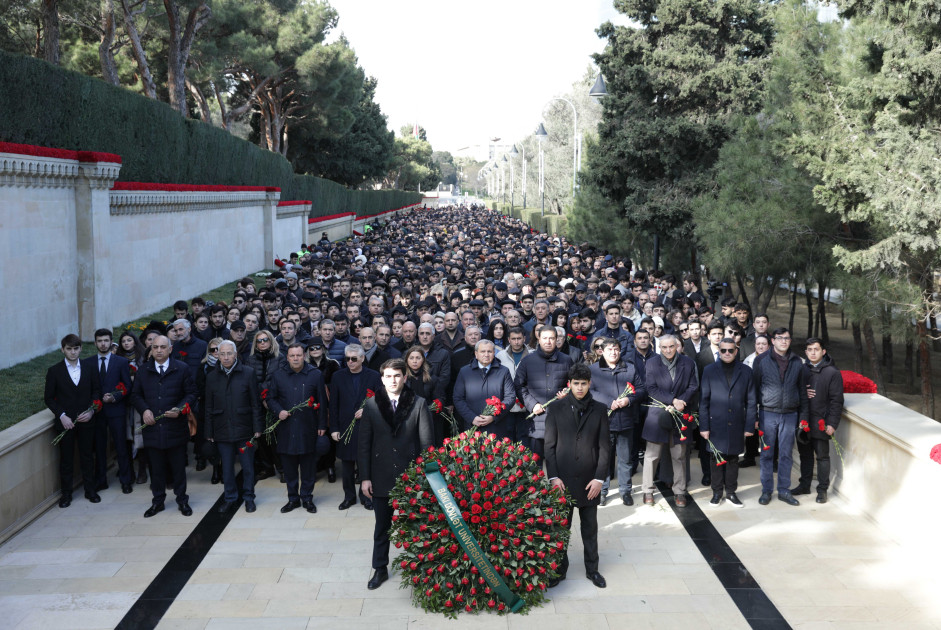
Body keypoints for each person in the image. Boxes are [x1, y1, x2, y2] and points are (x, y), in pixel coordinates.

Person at [358, 358, 434, 590]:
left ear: (404, 377)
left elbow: (427, 444)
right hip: (380, 476)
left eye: (397, 376)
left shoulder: (418, 403)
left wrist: (425, 478)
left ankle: (419, 569)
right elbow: (364, 445)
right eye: (388, 376)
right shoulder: (371, 405)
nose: (393, 380)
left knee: (416, 526)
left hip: (410, 477)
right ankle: (379, 568)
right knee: (382, 527)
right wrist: (365, 478)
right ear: (382, 379)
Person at [544, 363, 610, 589]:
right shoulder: (555, 409)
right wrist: (553, 477)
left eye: (583, 384)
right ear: (569, 384)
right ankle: (559, 570)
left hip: (589, 480)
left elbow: (604, 448)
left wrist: (599, 479)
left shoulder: (600, 410)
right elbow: (549, 446)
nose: (580, 388)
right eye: (576, 384)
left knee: (590, 528)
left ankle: (593, 570)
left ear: (589, 384)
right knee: (561, 527)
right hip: (562, 480)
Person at [130, 335, 198, 518]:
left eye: (162, 347)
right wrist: (144, 410)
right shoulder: (143, 371)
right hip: (153, 429)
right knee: (156, 470)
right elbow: (135, 395)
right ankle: (157, 502)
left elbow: (191, 393)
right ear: (150, 350)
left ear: (170, 349)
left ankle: (182, 500)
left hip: (175, 428)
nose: (159, 350)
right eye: (155, 347)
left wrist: (180, 409)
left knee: (178, 469)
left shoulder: (182, 369)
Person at [267, 343, 328, 514]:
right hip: (286, 429)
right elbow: (271, 398)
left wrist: (322, 425)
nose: (295, 358)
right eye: (292, 356)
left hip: (309, 427)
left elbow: (322, 401)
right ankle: (293, 499)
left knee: (308, 467)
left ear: (304, 356)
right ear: (287, 357)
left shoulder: (315, 375)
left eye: (299, 355)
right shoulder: (278, 376)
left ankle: (307, 498)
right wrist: (278, 411)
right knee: (289, 468)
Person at [752, 327, 809, 506]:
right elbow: (753, 389)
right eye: (780, 338)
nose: (784, 341)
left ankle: (784, 490)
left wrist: (803, 416)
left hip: (790, 413)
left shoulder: (797, 362)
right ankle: (766, 490)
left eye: (787, 338)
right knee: (767, 454)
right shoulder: (761, 360)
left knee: (786, 455)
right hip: (768, 413)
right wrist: (753, 415)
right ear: (773, 340)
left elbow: (802, 390)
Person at [205, 340, 264, 513]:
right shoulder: (211, 376)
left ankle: (249, 498)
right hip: (222, 428)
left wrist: (257, 427)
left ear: (236, 354)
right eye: (221, 354)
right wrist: (209, 431)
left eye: (229, 353)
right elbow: (208, 406)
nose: (225, 357)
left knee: (247, 467)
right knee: (227, 469)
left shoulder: (248, 373)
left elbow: (255, 403)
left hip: (245, 429)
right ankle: (230, 498)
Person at [640, 334, 698, 507]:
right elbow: (651, 388)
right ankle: (648, 490)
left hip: (681, 413)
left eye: (671, 346)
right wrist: (673, 400)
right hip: (658, 413)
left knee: (679, 455)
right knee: (652, 455)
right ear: (659, 348)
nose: (667, 350)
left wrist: (681, 402)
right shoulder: (652, 363)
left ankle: (679, 491)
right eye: (664, 347)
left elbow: (693, 386)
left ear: (677, 346)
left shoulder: (687, 363)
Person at [45, 333, 102, 508]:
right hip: (65, 423)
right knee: (66, 460)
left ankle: (90, 490)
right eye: (69, 349)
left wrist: (92, 411)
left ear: (81, 349)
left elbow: (96, 392)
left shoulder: (90, 367)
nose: (72, 352)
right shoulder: (54, 371)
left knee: (87, 457)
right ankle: (66, 494)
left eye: (76, 348)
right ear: (63, 350)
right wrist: (62, 416)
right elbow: (49, 398)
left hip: (87, 421)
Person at [699, 338, 757, 508]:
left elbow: (751, 401)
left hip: (737, 422)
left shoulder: (746, 371)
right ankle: (717, 492)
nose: (727, 353)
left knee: (732, 458)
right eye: (723, 350)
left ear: (736, 351)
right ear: (719, 351)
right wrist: (704, 427)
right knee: (716, 458)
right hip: (715, 422)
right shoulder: (709, 370)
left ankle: (731, 492)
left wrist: (749, 425)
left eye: (730, 350)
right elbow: (704, 401)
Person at [589, 337, 647, 506]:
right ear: (602, 351)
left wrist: (629, 400)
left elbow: (641, 389)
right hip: (603, 421)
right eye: (609, 350)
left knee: (625, 458)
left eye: (616, 349)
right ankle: (602, 491)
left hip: (625, 419)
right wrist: (608, 401)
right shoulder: (593, 370)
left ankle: (625, 491)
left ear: (620, 351)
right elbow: (589, 390)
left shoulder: (629, 368)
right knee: (604, 458)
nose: (613, 352)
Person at [329, 344, 382, 511]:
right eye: (347, 359)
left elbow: (381, 399)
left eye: (353, 359)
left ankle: (366, 497)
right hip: (345, 426)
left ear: (362, 358)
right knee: (346, 464)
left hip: (367, 427)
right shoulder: (337, 376)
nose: (350, 362)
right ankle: (349, 497)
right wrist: (334, 428)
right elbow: (333, 405)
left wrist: (367, 409)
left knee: (365, 463)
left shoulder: (373, 376)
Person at [793, 338, 843, 504]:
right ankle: (804, 485)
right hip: (803, 420)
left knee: (822, 457)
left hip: (821, 421)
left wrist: (832, 423)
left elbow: (837, 400)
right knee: (805, 455)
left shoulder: (832, 372)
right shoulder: (801, 369)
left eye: (816, 349)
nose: (813, 352)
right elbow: (793, 390)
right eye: (809, 349)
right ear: (805, 352)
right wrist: (803, 392)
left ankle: (822, 490)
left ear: (823, 351)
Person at [514, 325, 574, 458]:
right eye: (545, 338)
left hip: (560, 419)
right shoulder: (527, 361)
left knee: (560, 463)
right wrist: (532, 404)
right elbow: (518, 386)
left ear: (557, 339)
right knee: (536, 464)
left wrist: (568, 394)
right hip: (536, 420)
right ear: (538, 339)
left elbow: (575, 385)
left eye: (552, 338)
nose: (548, 341)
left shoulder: (566, 360)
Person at [452, 340, 516, 437]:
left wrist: (494, 417)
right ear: (476, 354)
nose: (486, 354)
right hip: (472, 427)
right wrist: (472, 417)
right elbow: (458, 398)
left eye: (489, 351)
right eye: (483, 351)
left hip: (497, 427)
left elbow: (510, 397)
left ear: (494, 353)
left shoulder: (503, 372)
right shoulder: (465, 372)